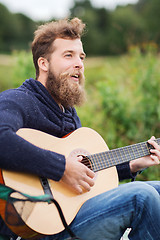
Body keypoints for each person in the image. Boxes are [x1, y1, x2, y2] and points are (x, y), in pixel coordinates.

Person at [0, 17, 160, 240]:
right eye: (69, 55)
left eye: (81, 57)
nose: (79, 63)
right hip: (36, 228)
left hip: (71, 215)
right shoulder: (19, 100)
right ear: (43, 64)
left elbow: (84, 174)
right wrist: (62, 168)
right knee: (142, 197)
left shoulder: (68, 114)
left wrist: (131, 165)